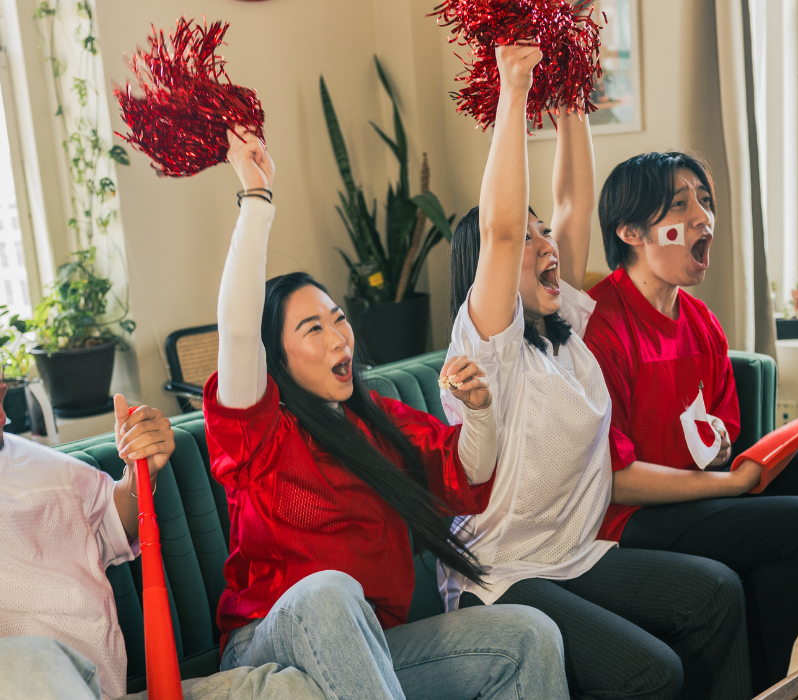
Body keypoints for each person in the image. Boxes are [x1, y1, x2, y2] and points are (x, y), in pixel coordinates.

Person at [0, 259, 326, 699]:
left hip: (103, 690)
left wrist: (140, 468)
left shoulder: (45, 467)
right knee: (22, 660)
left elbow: (117, 522)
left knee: (296, 686)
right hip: (0, 683)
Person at [204, 128, 568, 700]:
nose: (338, 338)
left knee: (529, 635)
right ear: (276, 357)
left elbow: (466, 475)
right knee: (329, 591)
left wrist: (479, 413)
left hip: (372, 647)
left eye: (338, 318)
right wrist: (255, 197)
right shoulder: (260, 431)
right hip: (270, 641)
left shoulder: (379, 420)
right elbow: (239, 330)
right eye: (313, 328)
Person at [442, 43, 750, 700]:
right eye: (529, 239)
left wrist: (573, 87)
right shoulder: (489, 345)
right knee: (653, 671)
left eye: (543, 235)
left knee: (718, 593)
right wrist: (515, 84)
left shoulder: (567, 327)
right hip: (502, 576)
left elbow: (573, 202)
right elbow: (500, 232)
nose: (545, 244)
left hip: (575, 555)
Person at [585, 150, 798, 690]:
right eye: (680, 205)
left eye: (705, 201)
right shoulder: (600, 327)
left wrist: (721, 445)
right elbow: (612, 480)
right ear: (631, 232)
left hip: (698, 495)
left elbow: (723, 432)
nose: (703, 217)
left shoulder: (700, 321)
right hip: (631, 519)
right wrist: (730, 480)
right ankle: (754, 687)